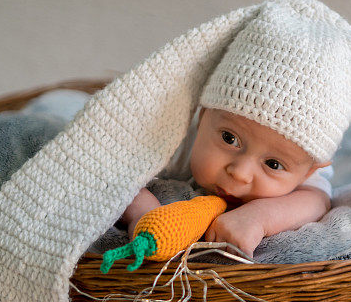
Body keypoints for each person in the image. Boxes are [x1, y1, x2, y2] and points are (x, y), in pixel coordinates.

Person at [119, 106, 333, 257]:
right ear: (203, 115)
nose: (240, 173)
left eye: (273, 164)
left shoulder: (305, 157)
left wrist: (259, 216)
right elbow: (115, 173)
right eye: (230, 139)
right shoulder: (176, 143)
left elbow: (317, 200)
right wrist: (142, 212)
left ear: (307, 173)